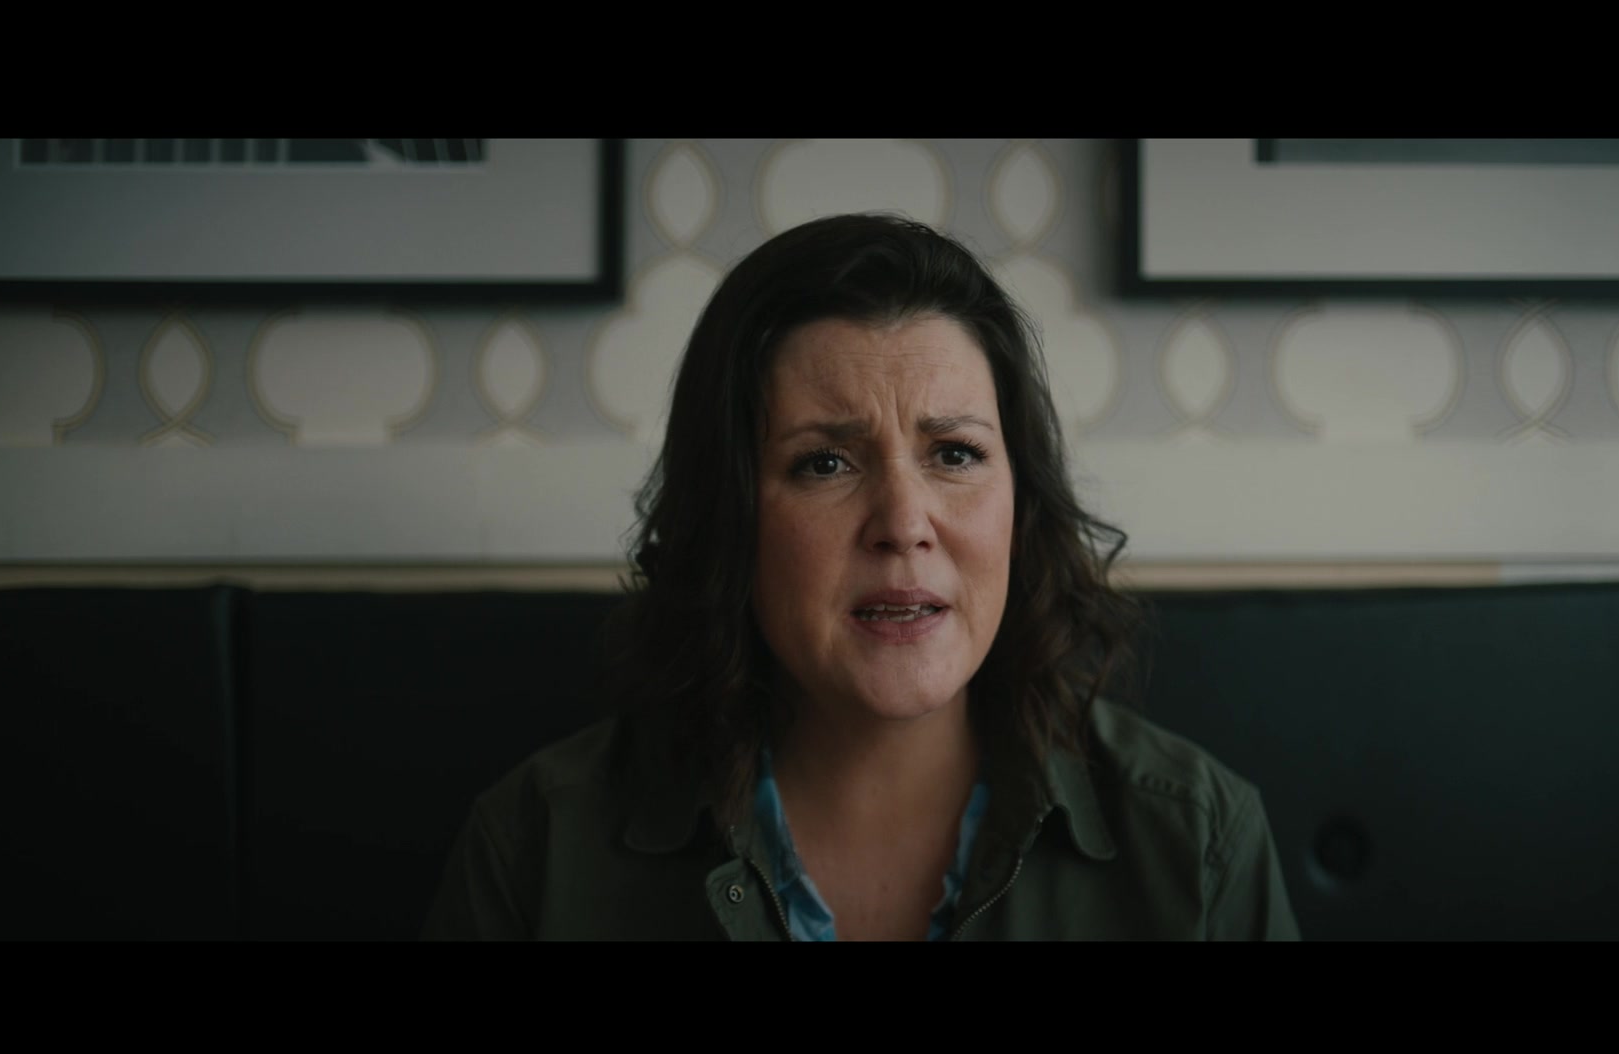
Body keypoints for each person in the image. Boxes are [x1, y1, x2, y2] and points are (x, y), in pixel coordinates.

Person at [423, 213, 1298, 940]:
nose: (904, 524)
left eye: (954, 453)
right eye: (825, 464)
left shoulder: (1198, 844)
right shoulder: (536, 849)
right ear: (731, 517)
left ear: (1021, 505)